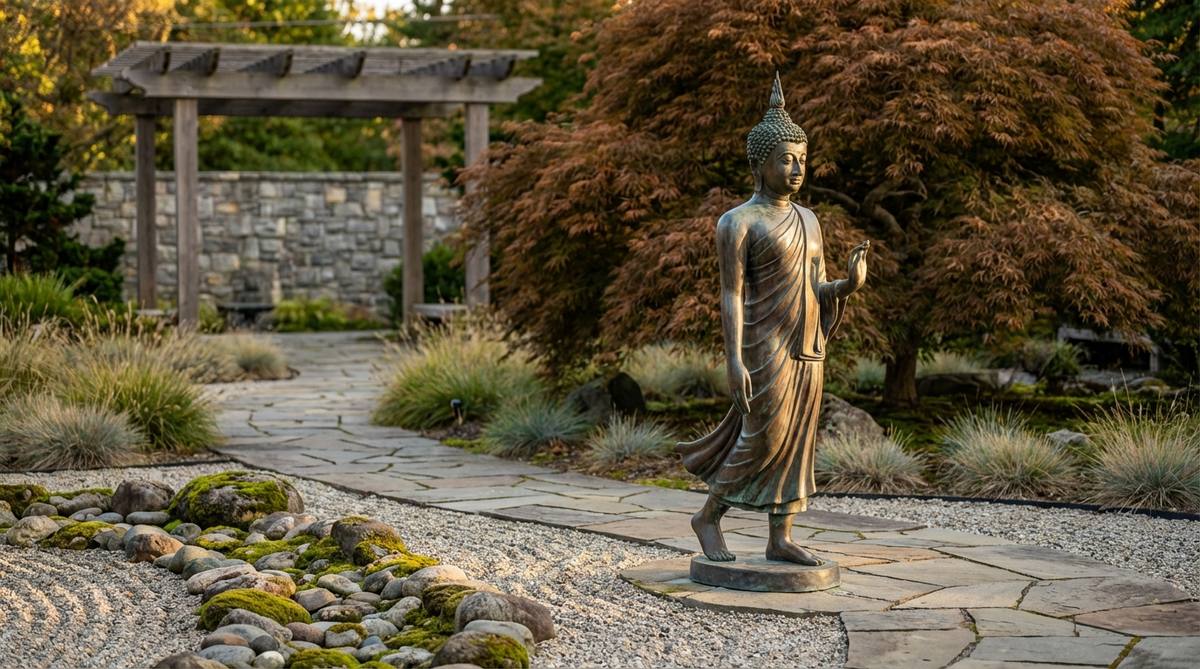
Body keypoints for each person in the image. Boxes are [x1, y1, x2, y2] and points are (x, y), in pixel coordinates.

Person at [678, 73, 869, 566]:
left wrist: (848, 285)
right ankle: (709, 516)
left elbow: (815, 287)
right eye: (786, 158)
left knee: (798, 439)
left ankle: (779, 536)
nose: (797, 168)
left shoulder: (809, 220)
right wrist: (735, 360)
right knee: (764, 433)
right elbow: (731, 295)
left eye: (803, 159)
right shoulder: (737, 222)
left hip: (806, 345)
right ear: (759, 163)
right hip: (764, 345)